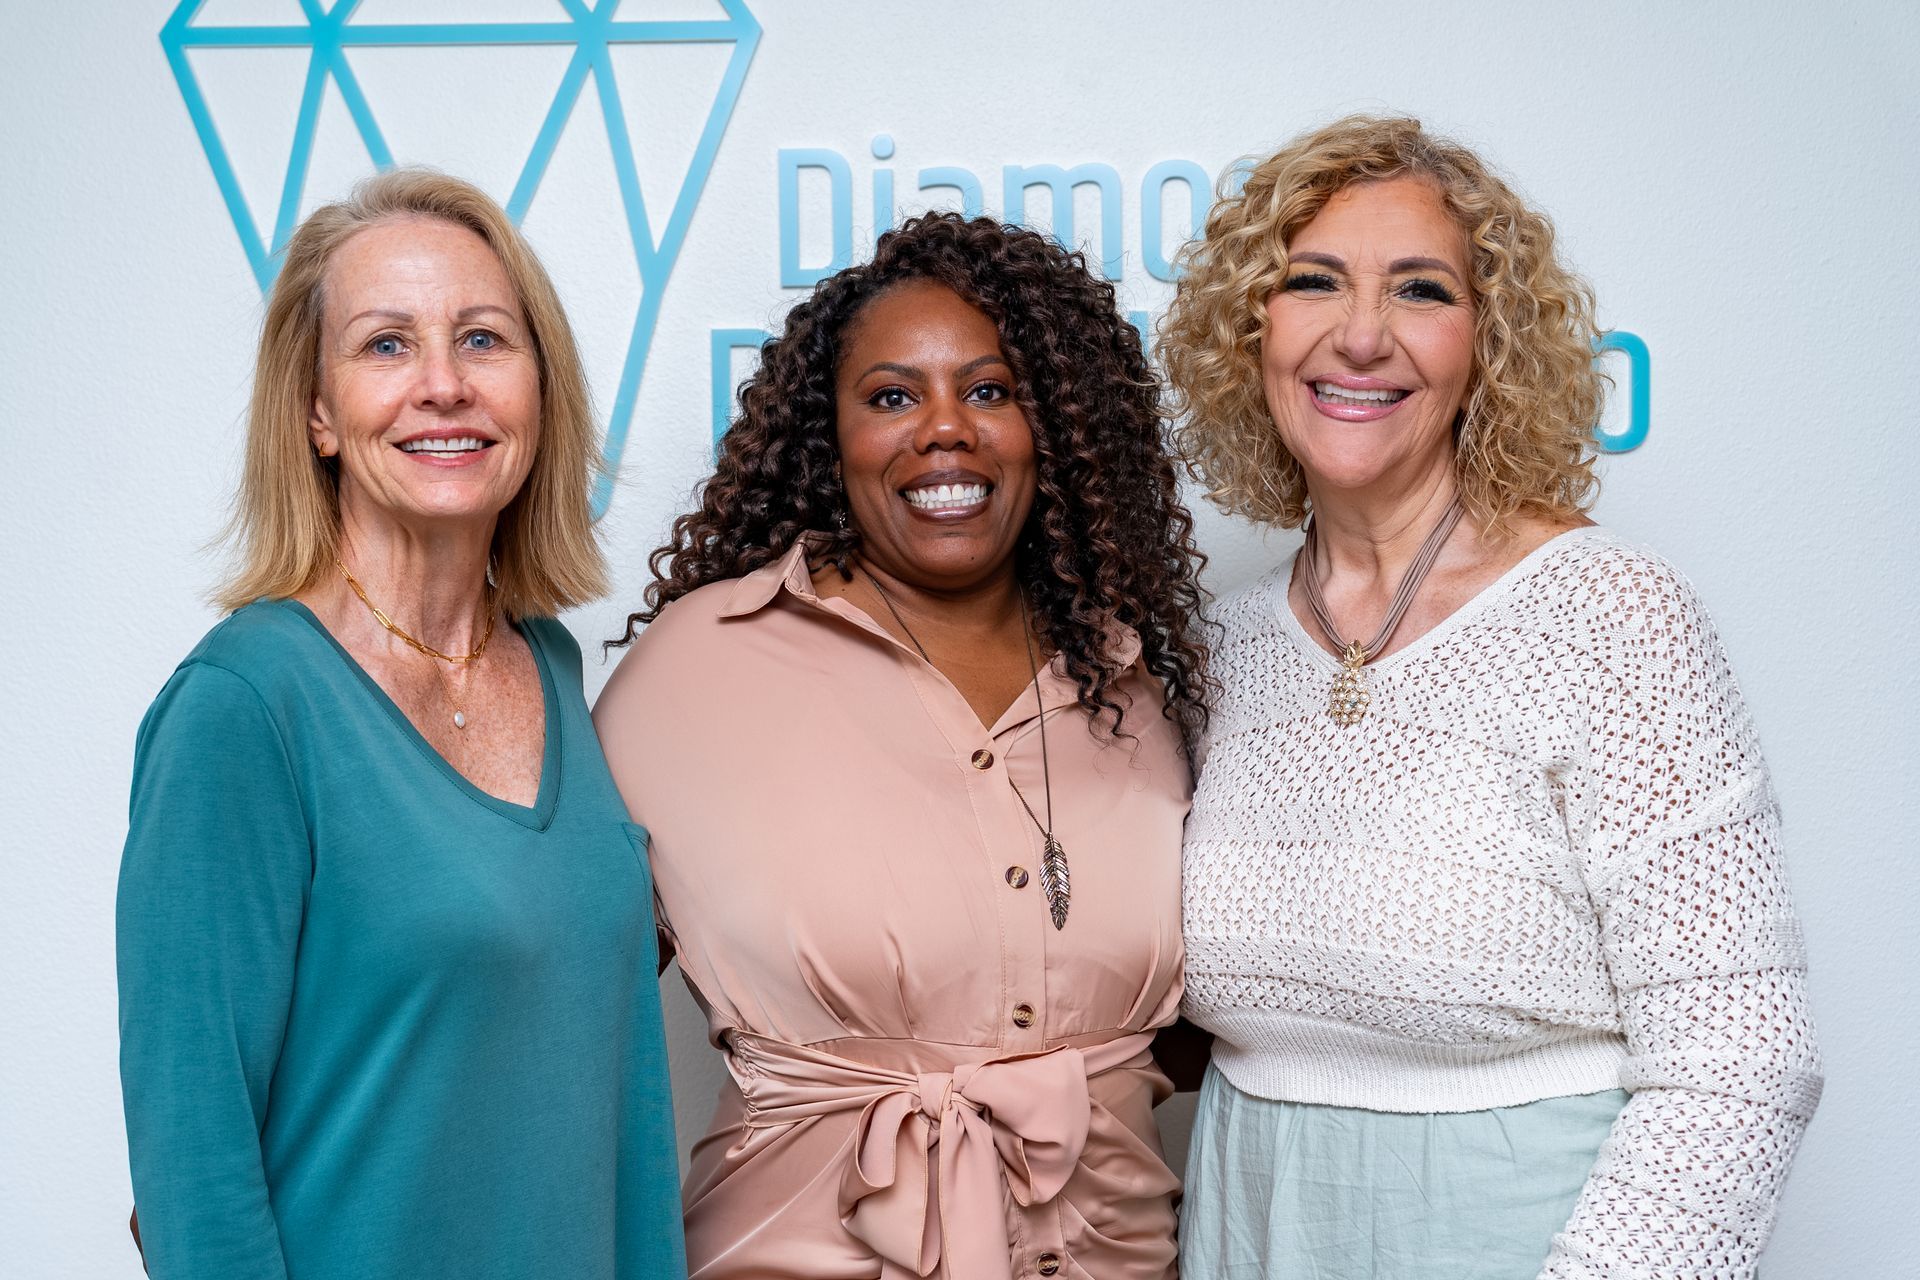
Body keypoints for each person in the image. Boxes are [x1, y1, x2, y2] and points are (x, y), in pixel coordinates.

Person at [1159, 115, 1822, 1280]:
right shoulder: (1227, 646)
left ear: (1490, 344)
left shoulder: (1613, 618)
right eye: (1312, 281)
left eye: (1420, 290)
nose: (1360, 336)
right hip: (1250, 1225)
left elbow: (1742, 1057)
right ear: (1250, 331)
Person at [594, 211, 1210, 1280]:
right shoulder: (698, 670)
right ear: (832, 435)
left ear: (1053, 424)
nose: (945, 431)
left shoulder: (1139, 687)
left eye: (990, 390)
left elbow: (1228, 1012)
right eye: (891, 396)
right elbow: (557, 1009)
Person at [116, 169, 684, 1280]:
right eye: (385, 345)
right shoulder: (244, 709)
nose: (442, 385)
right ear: (316, 411)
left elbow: (615, 1100)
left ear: (538, 390)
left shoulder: (552, 666)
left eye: (482, 339)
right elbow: (195, 1165)